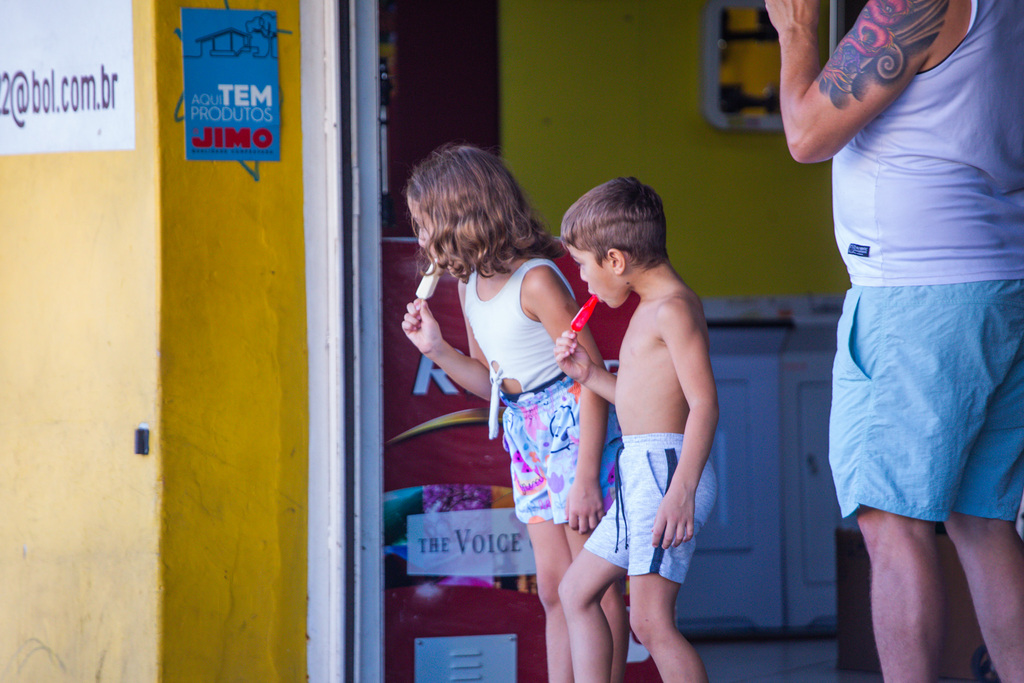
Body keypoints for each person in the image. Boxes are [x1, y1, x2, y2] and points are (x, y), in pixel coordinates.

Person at [765, 0, 1024, 680]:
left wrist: (796, 32)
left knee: (892, 520)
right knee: (984, 519)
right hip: (999, 281)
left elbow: (807, 133)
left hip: (915, 294)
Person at [400, 143, 630, 682]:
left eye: (423, 222)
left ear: (460, 214)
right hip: (524, 431)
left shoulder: (538, 279)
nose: (420, 237)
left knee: (592, 589)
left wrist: (587, 479)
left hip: (572, 426)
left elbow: (592, 380)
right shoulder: (467, 287)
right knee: (553, 589)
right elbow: (490, 383)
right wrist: (437, 350)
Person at [553, 177, 718, 683]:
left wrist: (681, 491)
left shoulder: (672, 308)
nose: (584, 280)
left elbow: (704, 403)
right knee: (576, 592)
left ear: (616, 261)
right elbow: (644, 401)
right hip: (642, 471)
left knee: (650, 622)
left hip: (666, 473)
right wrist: (589, 376)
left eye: (584, 265)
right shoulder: (650, 310)